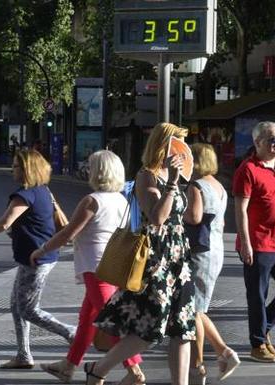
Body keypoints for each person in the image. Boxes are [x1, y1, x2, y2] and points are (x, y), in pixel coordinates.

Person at [84, 122, 197, 385]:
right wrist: (171, 183)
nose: (183, 149)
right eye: (177, 142)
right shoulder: (147, 176)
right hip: (156, 260)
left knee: (184, 329)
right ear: (164, 145)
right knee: (149, 328)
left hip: (179, 260)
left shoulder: (177, 178)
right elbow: (157, 217)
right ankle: (99, 368)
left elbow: (187, 217)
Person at [30, 150, 145, 385]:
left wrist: (42, 250)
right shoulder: (122, 200)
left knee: (110, 321)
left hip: (96, 268)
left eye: (91, 166)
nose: (88, 170)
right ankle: (69, 365)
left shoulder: (92, 201)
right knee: (87, 319)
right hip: (113, 266)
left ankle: (134, 371)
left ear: (100, 171)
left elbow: (69, 233)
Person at [0, 149, 76, 369]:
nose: (12, 169)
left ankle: (70, 332)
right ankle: (23, 355)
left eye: (16, 166)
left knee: (28, 309)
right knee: (16, 306)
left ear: (27, 169)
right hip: (35, 257)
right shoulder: (43, 190)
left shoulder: (23, 195)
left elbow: (6, 222)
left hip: (36, 258)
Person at [232, 121, 275, 363]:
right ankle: (258, 344)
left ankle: (264, 328)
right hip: (259, 244)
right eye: (271, 140)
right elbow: (240, 209)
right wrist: (245, 242)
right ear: (257, 143)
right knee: (257, 295)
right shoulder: (247, 169)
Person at [184, 143, 240, 383]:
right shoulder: (219, 187)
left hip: (200, 251)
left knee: (193, 309)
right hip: (216, 248)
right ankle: (223, 353)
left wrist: (178, 211)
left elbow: (195, 217)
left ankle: (198, 366)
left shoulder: (196, 186)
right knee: (198, 308)